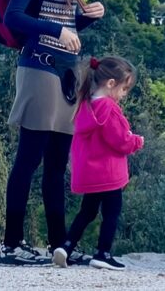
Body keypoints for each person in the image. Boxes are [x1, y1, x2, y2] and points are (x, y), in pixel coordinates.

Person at [0, 0, 106, 266]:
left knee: (58, 164)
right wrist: (57, 29)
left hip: (65, 73)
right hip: (39, 67)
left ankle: (60, 246)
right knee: (28, 159)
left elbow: (68, 23)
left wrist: (89, 16)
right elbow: (14, 17)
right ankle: (11, 245)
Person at [52, 55, 143, 270]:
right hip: (109, 174)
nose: (124, 95)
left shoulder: (84, 106)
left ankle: (66, 246)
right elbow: (120, 141)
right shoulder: (109, 109)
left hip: (90, 173)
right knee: (111, 212)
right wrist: (137, 141)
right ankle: (102, 253)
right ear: (111, 84)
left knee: (87, 212)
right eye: (124, 89)